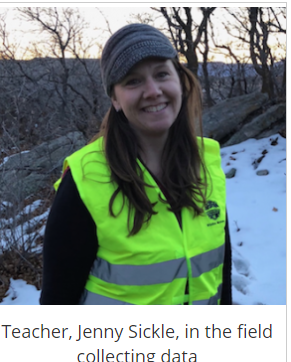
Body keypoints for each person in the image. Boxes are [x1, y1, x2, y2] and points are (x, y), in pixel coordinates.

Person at [40, 24, 231, 305]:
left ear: (179, 81)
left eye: (162, 74)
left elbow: (221, 279)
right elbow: (57, 307)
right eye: (133, 81)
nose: (153, 91)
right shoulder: (86, 181)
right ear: (115, 99)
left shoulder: (207, 164)